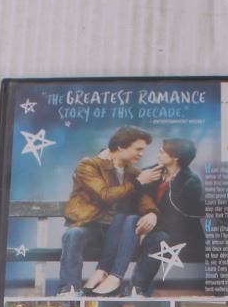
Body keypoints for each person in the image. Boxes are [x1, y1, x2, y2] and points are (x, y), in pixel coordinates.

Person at [58, 127, 160, 296]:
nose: (141, 154)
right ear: (120, 147)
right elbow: (104, 195)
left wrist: (151, 212)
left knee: (132, 220)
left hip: (118, 232)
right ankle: (69, 289)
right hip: (91, 227)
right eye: (138, 149)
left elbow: (144, 198)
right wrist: (137, 183)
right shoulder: (89, 165)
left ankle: (111, 279)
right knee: (72, 234)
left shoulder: (132, 173)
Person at [127, 137, 206, 296]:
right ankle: (135, 289)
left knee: (159, 239)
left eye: (162, 152)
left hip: (178, 235)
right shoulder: (150, 172)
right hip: (147, 227)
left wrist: (149, 228)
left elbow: (178, 217)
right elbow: (136, 201)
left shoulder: (191, 181)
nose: (158, 155)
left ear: (175, 157)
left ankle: (136, 289)